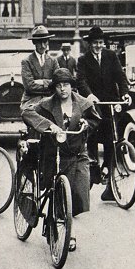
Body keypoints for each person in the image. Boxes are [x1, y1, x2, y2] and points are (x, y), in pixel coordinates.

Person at [22, 68, 101, 250]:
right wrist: (49, 126)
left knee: (80, 194)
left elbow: (96, 120)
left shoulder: (83, 103)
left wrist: (86, 124)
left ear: (72, 86)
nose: (63, 89)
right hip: (53, 153)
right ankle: (67, 232)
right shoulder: (46, 103)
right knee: (55, 190)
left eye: (66, 85)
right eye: (58, 86)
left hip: (77, 154)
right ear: (54, 88)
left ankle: (67, 221)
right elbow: (26, 113)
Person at [76, 26, 131, 201]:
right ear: (90, 44)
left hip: (109, 102)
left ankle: (109, 176)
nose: (98, 46)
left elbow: (120, 76)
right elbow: (81, 80)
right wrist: (89, 95)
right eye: (95, 43)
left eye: (101, 42)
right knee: (92, 134)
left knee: (112, 137)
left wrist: (125, 93)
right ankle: (93, 168)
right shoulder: (83, 60)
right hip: (93, 103)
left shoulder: (111, 56)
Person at [21, 25, 60, 108]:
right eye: (39, 42)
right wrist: (49, 83)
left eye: (45, 41)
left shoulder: (53, 61)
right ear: (34, 43)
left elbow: (58, 82)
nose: (43, 46)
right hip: (31, 102)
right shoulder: (26, 61)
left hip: (51, 100)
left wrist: (40, 82)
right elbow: (29, 87)